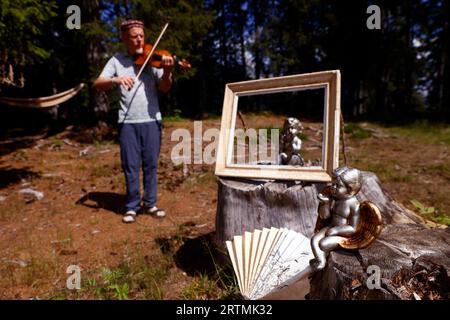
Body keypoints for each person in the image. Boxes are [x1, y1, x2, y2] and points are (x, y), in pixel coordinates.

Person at [93, 19, 174, 223]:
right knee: (130, 165)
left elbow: (164, 88)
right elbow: (97, 83)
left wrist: (168, 72)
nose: (139, 40)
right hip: (127, 121)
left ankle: (151, 204)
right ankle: (132, 206)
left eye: (142, 36)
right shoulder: (116, 60)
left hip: (151, 119)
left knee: (150, 165)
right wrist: (115, 80)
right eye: (134, 36)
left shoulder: (153, 58)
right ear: (124, 38)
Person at [310, 166, 362, 271]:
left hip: (344, 235)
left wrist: (336, 230)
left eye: (337, 186)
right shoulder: (335, 199)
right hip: (330, 227)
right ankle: (321, 260)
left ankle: (323, 257)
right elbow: (325, 217)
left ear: (350, 189)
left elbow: (353, 228)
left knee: (323, 244)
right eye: (333, 183)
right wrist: (325, 204)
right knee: (314, 240)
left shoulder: (354, 205)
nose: (332, 187)